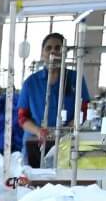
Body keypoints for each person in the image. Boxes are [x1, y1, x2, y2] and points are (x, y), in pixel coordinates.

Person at [17, 32, 91, 162]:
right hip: (35, 142)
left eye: (58, 48)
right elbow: (22, 117)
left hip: (67, 142)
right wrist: (38, 131)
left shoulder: (76, 79)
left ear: (65, 53)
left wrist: (66, 130)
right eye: (48, 48)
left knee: (63, 178)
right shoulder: (31, 83)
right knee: (33, 178)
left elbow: (85, 109)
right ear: (42, 53)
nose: (53, 51)